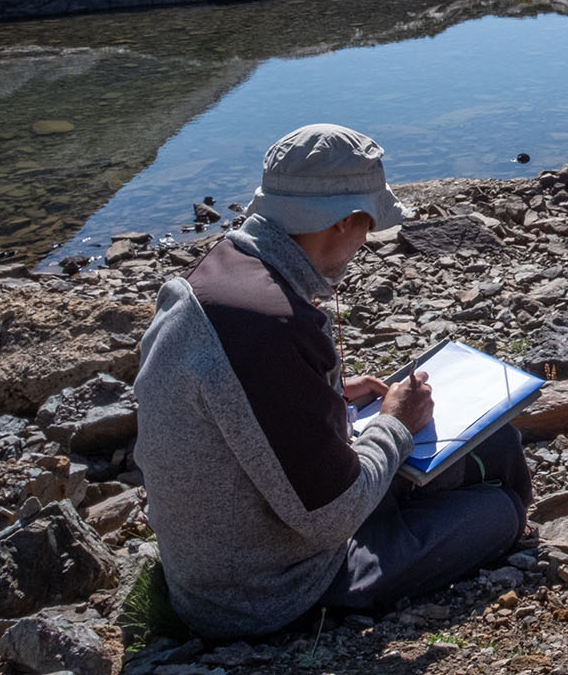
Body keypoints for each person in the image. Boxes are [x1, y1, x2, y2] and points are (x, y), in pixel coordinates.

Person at [135, 124, 532, 639]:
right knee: (496, 512)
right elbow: (331, 516)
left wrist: (324, 396)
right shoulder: (271, 327)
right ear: (343, 222)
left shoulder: (216, 276)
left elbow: (236, 406)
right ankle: (507, 521)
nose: (365, 242)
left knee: (492, 442)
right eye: (367, 225)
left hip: (226, 555)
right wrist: (394, 424)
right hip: (266, 593)